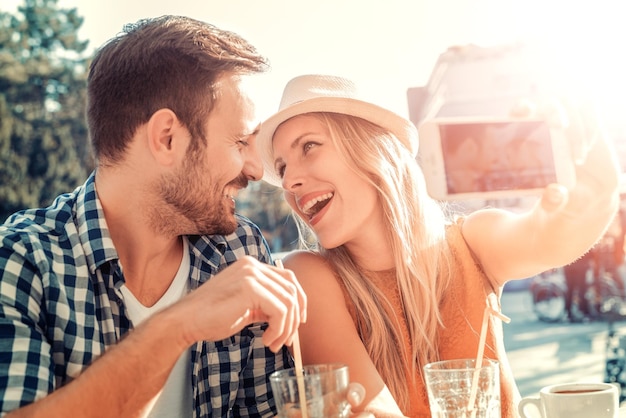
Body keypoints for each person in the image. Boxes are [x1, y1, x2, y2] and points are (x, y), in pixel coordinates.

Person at [0, 17, 378, 418]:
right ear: (167, 138)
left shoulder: (240, 251)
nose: (256, 169)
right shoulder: (23, 260)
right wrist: (180, 324)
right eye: (240, 142)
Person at [257, 74, 621, 417]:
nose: (290, 181)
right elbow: (373, 410)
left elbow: (556, 233)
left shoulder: (469, 244)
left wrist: (592, 182)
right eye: (282, 166)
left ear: (372, 149)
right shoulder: (307, 276)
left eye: (309, 146)